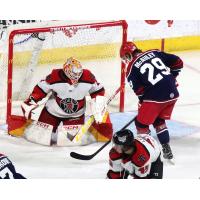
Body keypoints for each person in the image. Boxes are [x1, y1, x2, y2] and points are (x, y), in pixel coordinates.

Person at [21, 57, 113, 146]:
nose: (76, 76)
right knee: (41, 137)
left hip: (75, 115)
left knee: (72, 142)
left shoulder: (88, 77)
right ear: (66, 70)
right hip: (52, 112)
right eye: (73, 74)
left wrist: (99, 104)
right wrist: (31, 101)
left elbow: (98, 91)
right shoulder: (54, 77)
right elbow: (40, 89)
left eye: (79, 73)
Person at [120, 41, 183, 160]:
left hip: (156, 97)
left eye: (124, 57)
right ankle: (166, 147)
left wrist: (142, 104)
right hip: (173, 93)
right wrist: (170, 79)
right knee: (158, 119)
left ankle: (147, 152)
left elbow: (140, 93)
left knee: (141, 124)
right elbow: (178, 62)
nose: (125, 60)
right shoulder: (154, 52)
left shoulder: (130, 69)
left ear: (128, 54)